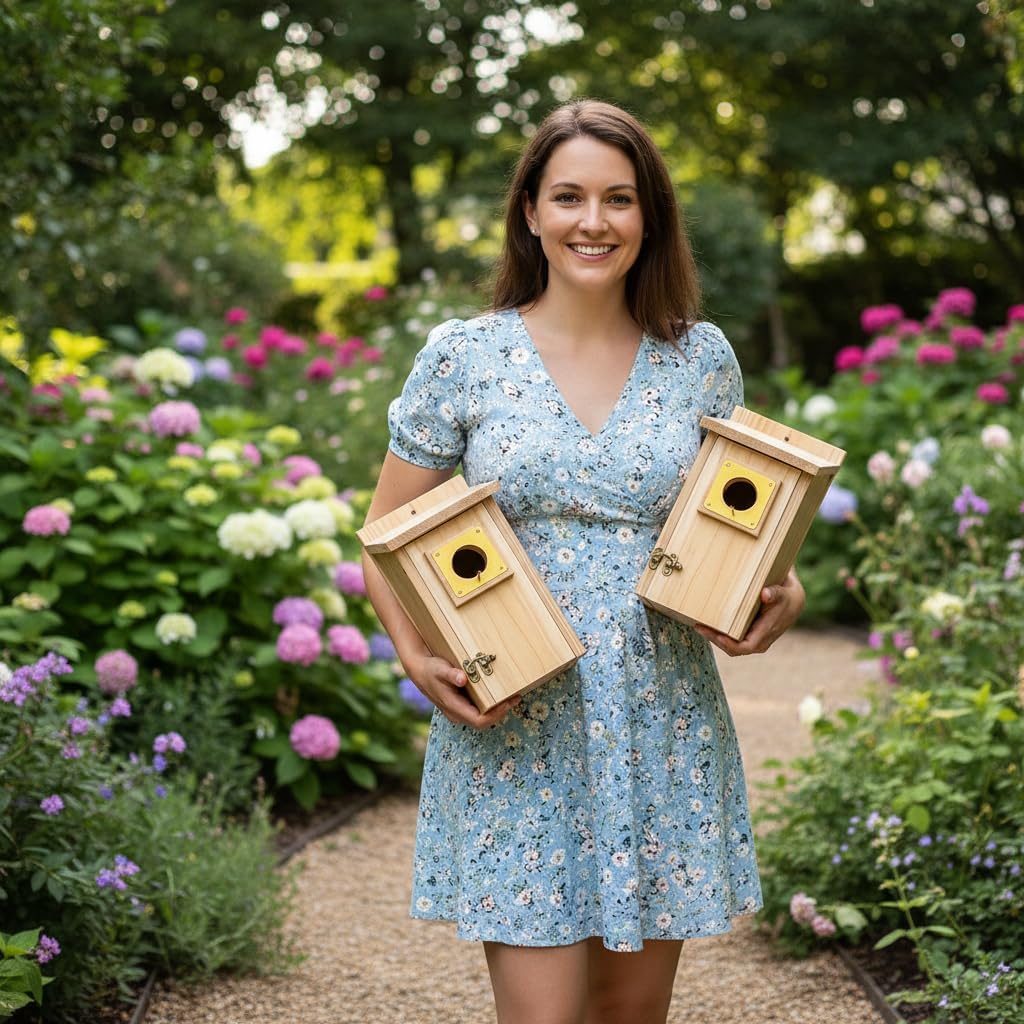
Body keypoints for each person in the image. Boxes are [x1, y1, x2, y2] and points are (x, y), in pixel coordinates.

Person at [361, 99, 806, 1024]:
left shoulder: (700, 360)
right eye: (568, 197)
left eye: (619, 199)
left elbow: (741, 518)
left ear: (650, 216)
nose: (593, 222)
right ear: (530, 211)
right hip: (520, 717)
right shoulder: (465, 357)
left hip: (662, 715)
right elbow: (385, 534)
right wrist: (417, 659)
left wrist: (778, 588)